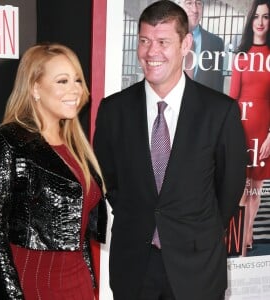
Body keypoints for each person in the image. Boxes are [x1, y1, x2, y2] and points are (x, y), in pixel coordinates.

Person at [94, 1, 247, 300]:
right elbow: (108, 179)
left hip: (197, 267)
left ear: (185, 43)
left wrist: (197, 231)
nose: (152, 52)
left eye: (163, 41)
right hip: (133, 266)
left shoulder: (219, 112)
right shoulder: (114, 110)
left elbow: (229, 188)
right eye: (144, 41)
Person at [0, 43, 107, 300]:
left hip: (77, 282)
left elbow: (78, 232)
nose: (75, 90)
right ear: (35, 88)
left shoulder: (76, 147)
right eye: (62, 81)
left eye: (77, 80)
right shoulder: (9, 141)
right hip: (36, 283)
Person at [229, 0, 270, 256]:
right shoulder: (241, 56)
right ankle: (240, 239)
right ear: (250, 20)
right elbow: (232, 98)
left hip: (264, 133)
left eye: (266, 17)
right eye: (256, 16)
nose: (260, 22)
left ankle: (247, 237)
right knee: (241, 191)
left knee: (256, 189)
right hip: (241, 129)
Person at [178, 0, 224, 92]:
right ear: (179, 7)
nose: (195, 10)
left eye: (198, 3)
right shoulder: (166, 39)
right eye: (189, 3)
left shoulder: (216, 43)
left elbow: (217, 88)